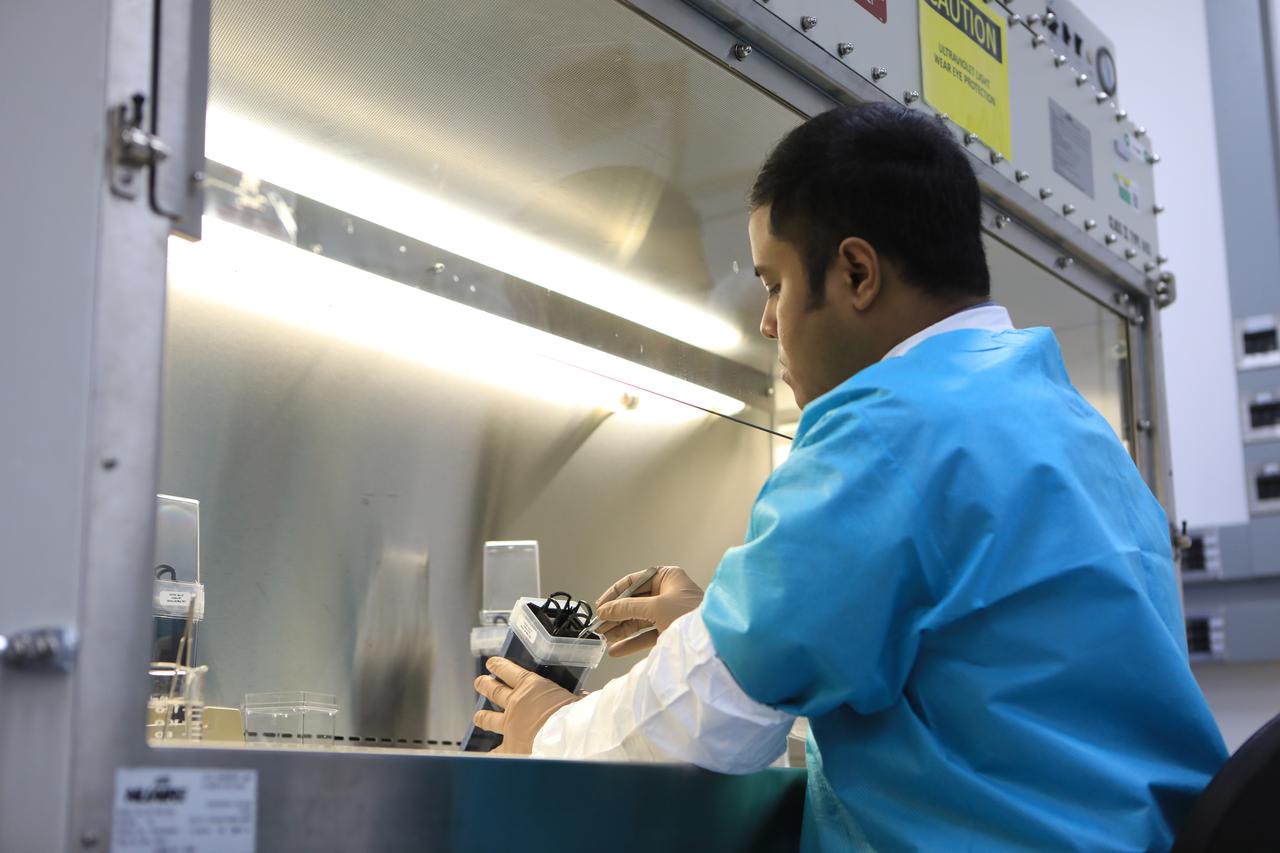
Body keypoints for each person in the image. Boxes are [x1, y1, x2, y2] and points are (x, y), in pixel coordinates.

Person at [472, 102, 1228, 851]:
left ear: (857, 273)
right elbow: (984, 706)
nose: (768, 322)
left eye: (775, 284)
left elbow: (710, 721)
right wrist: (721, 624)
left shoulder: (887, 425)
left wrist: (549, 730)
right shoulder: (1072, 424)